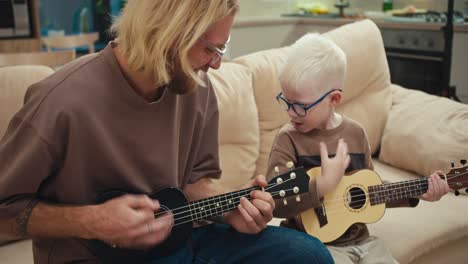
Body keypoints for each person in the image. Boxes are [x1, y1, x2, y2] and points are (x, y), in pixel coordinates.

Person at [0, 1, 338, 263]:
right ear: (168, 33)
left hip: (182, 242)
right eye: (210, 49)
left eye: (223, 49)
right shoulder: (60, 101)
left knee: (309, 256)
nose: (217, 64)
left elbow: (195, 183)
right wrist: (91, 221)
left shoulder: (197, 86)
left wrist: (229, 208)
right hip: (92, 258)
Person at [266, 33, 451, 264]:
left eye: (300, 106)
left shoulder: (355, 134)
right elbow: (275, 201)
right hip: (312, 245)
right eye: (287, 101)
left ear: (333, 99)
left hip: (363, 242)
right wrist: (321, 186)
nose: (291, 113)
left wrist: (418, 191)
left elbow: (369, 189)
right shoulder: (288, 139)